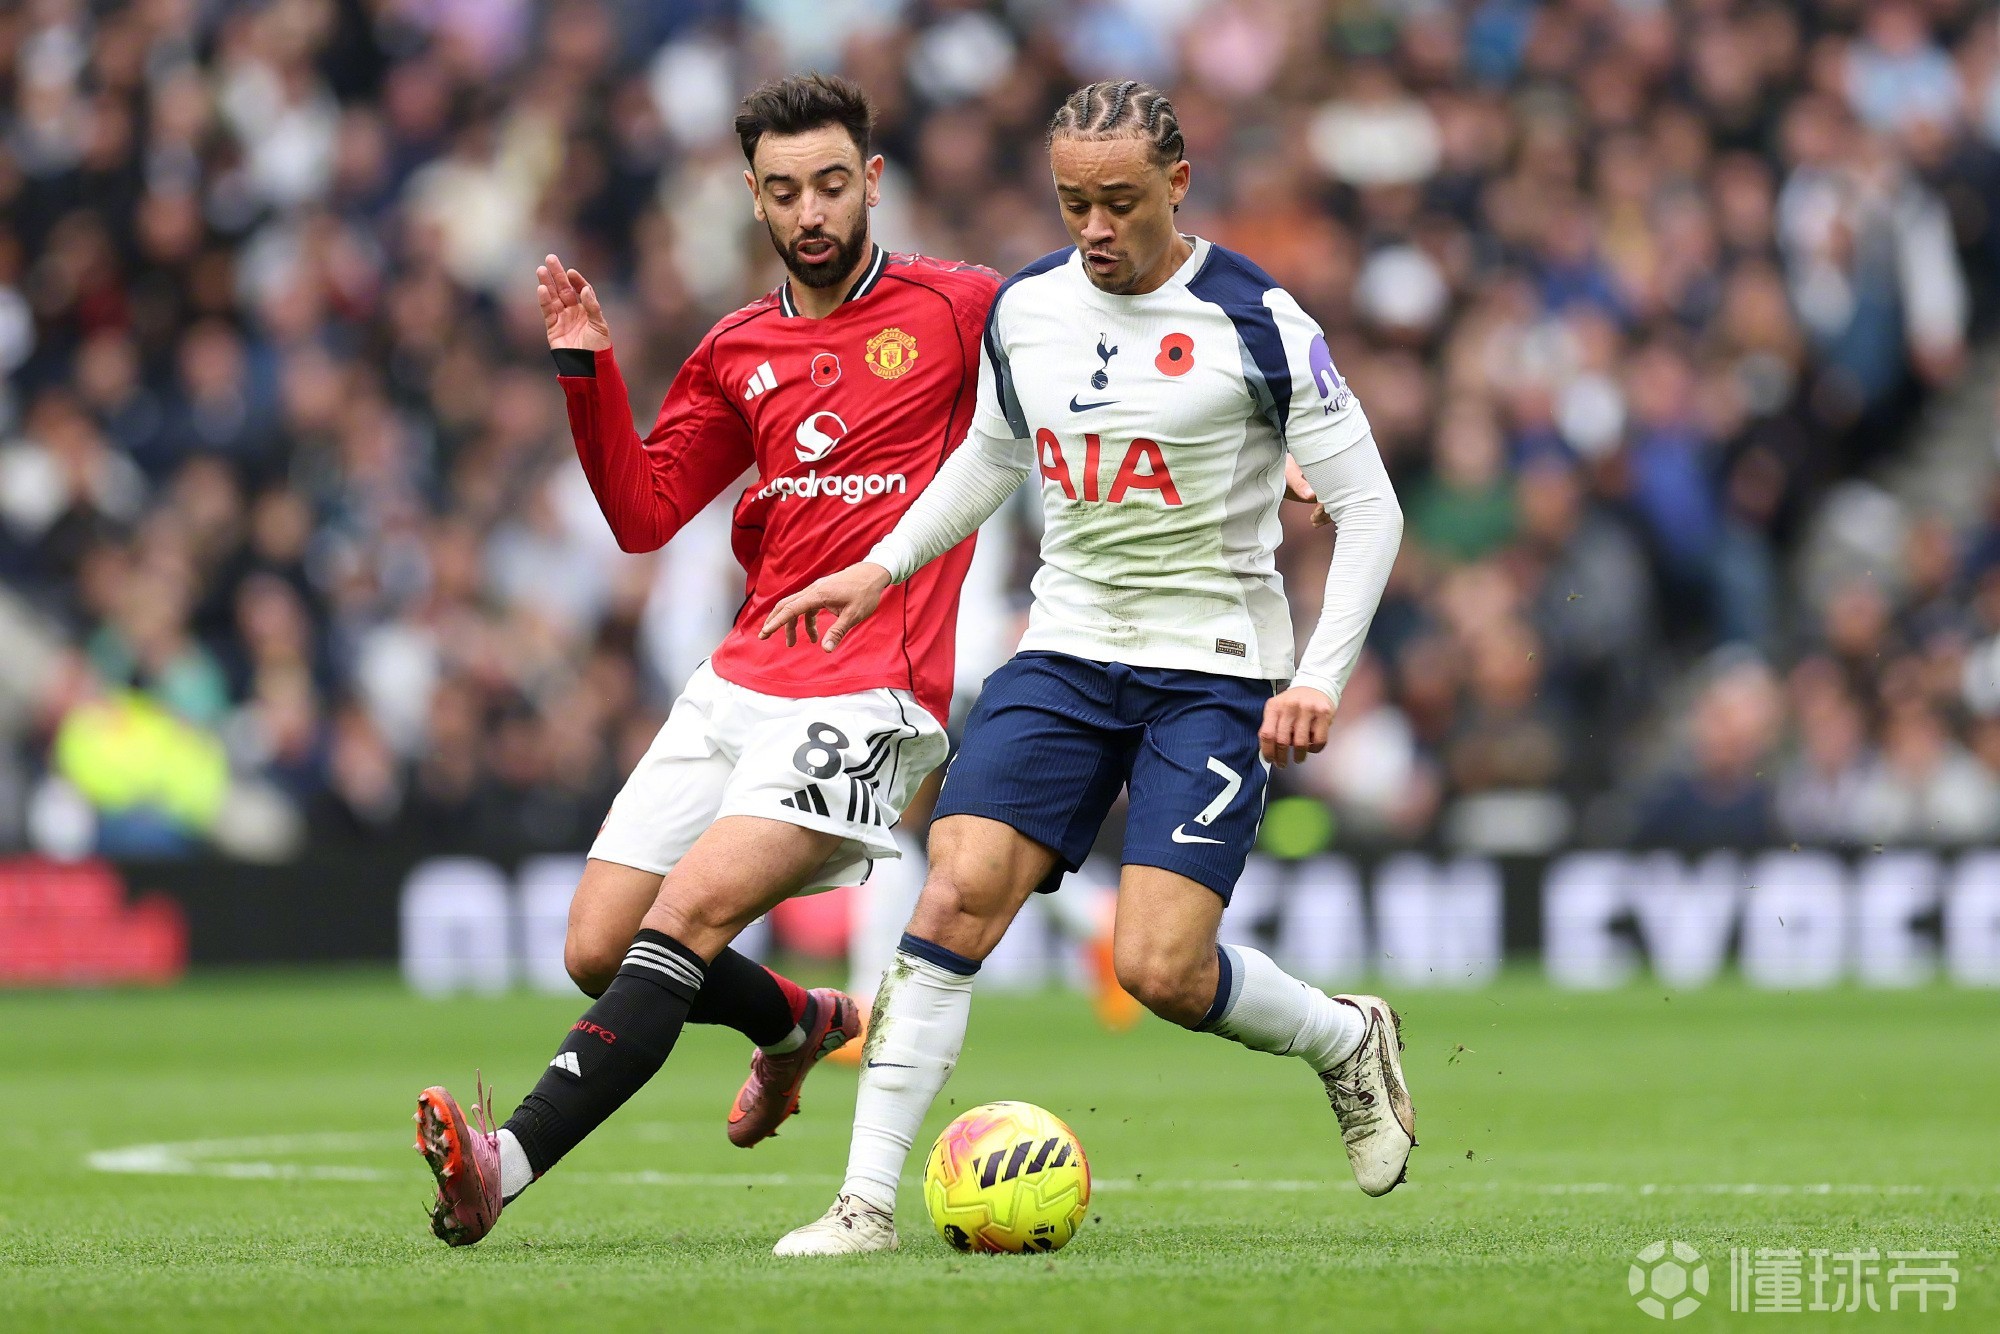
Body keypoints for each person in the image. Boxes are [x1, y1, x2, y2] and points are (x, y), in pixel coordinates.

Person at [761, 80, 1414, 1256]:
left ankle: (1341, 1036)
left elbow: (1369, 507)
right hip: (1063, 651)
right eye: (1073, 204)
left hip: (1211, 670)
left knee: (1158, 967)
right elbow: (991, 455)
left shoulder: (1258, 320)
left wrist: (1318, 675)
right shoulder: (1027, 309)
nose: (1095, 228)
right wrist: (883, 563)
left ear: (1177, 183)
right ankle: (862, 1202)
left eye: (1119, 201)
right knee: (953, 889)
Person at [413, 74, 1001, 1247]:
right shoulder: (738, 347)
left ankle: (501, 1161)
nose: (810, 212)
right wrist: (588, 369)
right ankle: (796, 1021)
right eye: (783, 191)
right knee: (598, 945)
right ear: (752, 196)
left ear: (872, 180)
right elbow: (643, 514)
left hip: (871, 689)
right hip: (738, 681)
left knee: (682, 914)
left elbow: (1099, 350)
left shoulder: (960, 307)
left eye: (830, 184)